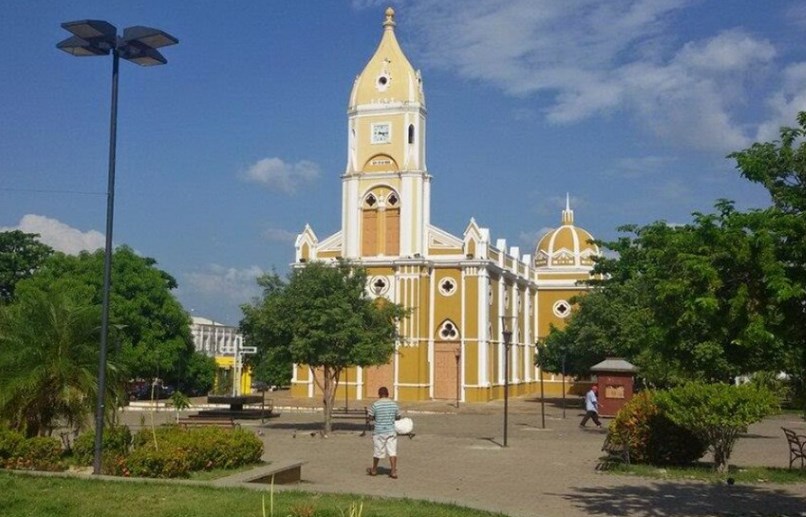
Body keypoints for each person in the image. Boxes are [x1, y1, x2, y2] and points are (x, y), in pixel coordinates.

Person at [367, 386, 401, 478]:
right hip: (391, 431)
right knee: (392, 452)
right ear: (388, 394)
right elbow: (398, 417)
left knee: (377, 451)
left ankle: (374, 470)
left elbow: (370, 417)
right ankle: (393, 471)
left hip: (379, 432)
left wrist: (375, 417)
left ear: (379, 395)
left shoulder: (375, 405)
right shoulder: (393, 404)